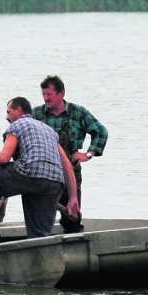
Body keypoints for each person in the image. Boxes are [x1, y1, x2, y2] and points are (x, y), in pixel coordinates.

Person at [0, 97, 80, 246]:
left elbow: (4, 157)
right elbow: (67, 166)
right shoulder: (50, 131)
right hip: (54, 182)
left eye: (9, 112)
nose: (7, 117)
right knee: (40, 235)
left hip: (30, 172)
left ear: (19, 110)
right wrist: (73, 199)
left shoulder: (16, 125)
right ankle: (41, 258)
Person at [33, 75, 108, 233]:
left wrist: (88, 154)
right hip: (44, 174)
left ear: (61, 94)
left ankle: (73, 247)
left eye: (49, 94)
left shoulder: (77, 113)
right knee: (40, 219)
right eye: (43, 95)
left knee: (72, 219)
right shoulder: (36, 114)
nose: (46, 98)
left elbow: (101, 132)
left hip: (71, 176)